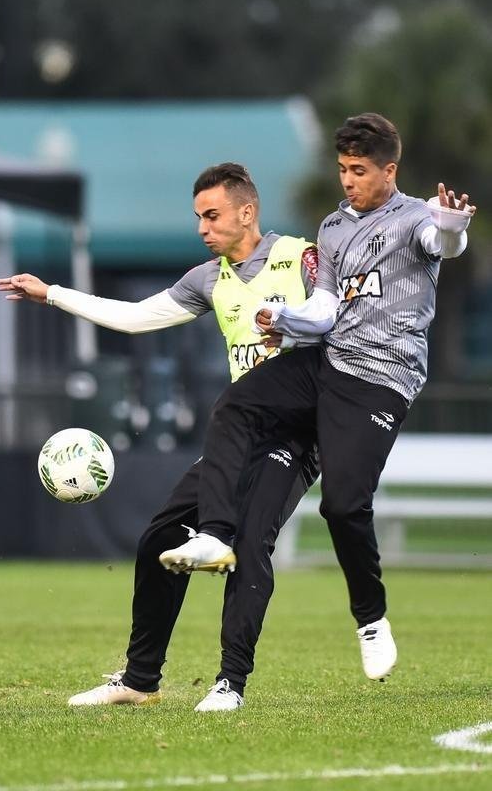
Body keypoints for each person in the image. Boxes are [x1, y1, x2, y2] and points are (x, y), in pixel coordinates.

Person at [0, 162, 322, 711]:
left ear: (247, 212)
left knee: (251, 543)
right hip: (242, 432)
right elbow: (134, 317)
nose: (202, 228)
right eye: (198, 217)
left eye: (212, 215)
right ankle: (140, 679)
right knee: (159, 540)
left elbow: (340, 317)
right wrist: (52, 294)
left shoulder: (302, 257)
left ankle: (230, 683)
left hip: (297, 432)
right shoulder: (208, 279)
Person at [169, 113, 476, 684]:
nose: (348, 180)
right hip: (328, 360)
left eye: (359, 170)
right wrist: (284, 318)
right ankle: (215, 533)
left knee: (343, 506)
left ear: (390, 170)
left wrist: (454, 227)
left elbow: (443, 244)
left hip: (382, 378)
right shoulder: (332, 227)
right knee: (237, 403)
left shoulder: (416, 218)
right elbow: (326, 308)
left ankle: (371, 618)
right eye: (342, 169)